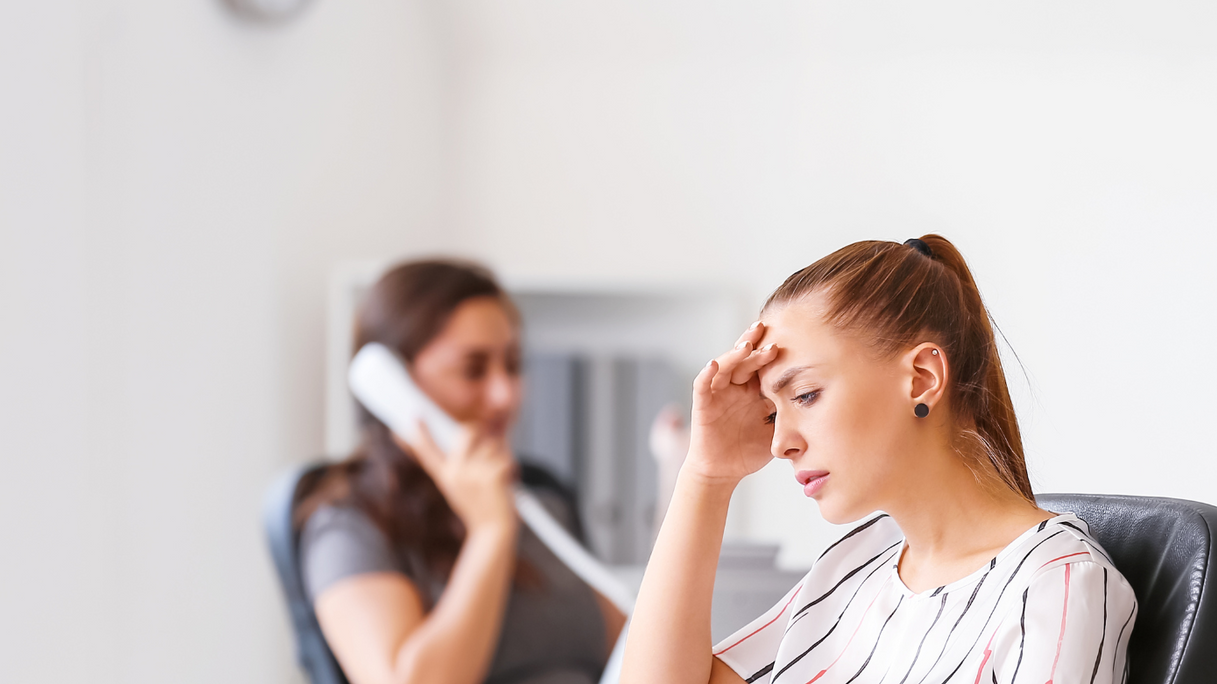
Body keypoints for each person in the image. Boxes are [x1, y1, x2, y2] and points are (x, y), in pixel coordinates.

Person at [616, 236, 1137, 684]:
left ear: (922, 379)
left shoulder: (1055, 587)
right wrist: (707, 475)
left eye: (803, 395)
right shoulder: (858, 566)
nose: (780, 444)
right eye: (773, 413)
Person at [299, 259, 626, 684]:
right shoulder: (350, 525)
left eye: (511, 365)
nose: (504, 395)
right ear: (394, 384)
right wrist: (490, 533)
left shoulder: (541, 502)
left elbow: (632, 643)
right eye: (474, 369)